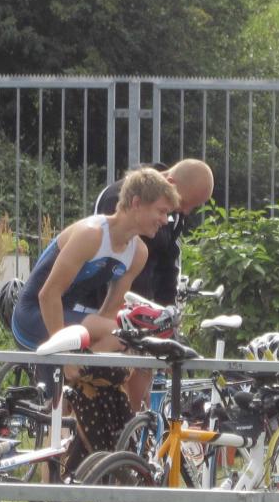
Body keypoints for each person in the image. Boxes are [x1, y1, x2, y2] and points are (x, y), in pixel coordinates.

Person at [11, 167, 180, 469]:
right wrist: (66, 356)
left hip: (72, 318)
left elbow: (108, 312)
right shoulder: (92, 234)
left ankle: (83, 421)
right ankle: (73, 396)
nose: (165, 220)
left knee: (121, 340)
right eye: (161, 211)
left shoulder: (137, 252)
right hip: (35, 315)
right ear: (136, 203)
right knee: (126, 334)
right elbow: (47, 295)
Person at [88, 159, 214, 410]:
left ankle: (135, 420)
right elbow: (109, 263)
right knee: (110, 383)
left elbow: (168, 266)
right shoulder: (117, 198)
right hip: (109, 308)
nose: (185, 212)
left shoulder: (172, 213)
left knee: (142, 388)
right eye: (185, 204)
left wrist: (166, 318)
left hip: (144, 309)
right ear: (171, 183)